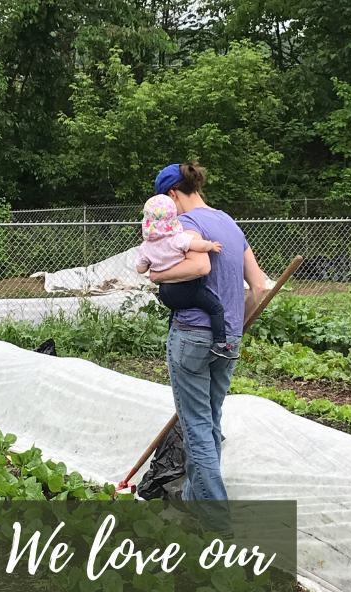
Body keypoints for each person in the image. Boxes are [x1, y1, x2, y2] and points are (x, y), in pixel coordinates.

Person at [145, 162, 268, 526]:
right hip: (228, 337)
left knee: (197, 427)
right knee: (210, 422)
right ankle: (193, 506)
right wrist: (235, 326)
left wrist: (157, 275)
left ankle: (218, 527)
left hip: (192, 335)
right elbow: (259, 286)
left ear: (171, 195)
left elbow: (199, 268)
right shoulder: (228, 222)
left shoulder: (184, 225)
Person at [136, 194, 236, 360]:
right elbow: (197, 245)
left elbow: (140, 269)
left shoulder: (146, 246)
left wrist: (151, 264)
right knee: (215, 308)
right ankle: (220, 343)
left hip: (165, 293)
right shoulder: (176, 239)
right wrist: (210, 245)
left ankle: (170, 341)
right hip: (185, 289)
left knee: (175, 311)